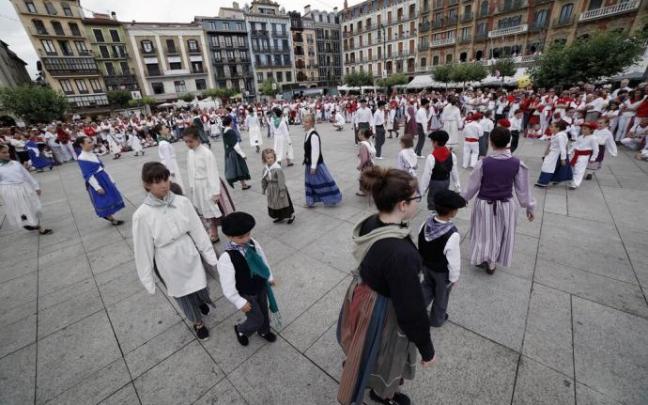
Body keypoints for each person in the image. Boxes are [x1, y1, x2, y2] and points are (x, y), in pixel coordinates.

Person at [337, 167, 436, 405]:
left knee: (367, 347)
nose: (417, 203)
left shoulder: (372, 222)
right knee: (386, 354)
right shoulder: (400, 254)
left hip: (364, 294)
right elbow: (411, 310)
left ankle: (373, 381)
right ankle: (383, 393)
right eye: (416, 199)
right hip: (381, 309)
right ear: (402, 205)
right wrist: (427, 349)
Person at [132, 162, 217, 341]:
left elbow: (197, 229)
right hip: (167, 258)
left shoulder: (182, 201)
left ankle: (201, 301)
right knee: (182, 292)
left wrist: (208, 253)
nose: (163, 184)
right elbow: (142, 250)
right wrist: (148, 279)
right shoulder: (142, 215)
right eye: (157, 182)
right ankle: (197, 322)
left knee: (200, 283)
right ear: (147, 184)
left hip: (187, 249)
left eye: (165, 179)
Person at [462, 127, 535, 274]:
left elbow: (472, 185)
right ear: (509, 142)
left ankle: (484, 257)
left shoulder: (484, 163)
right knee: (499, 232)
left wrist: (463, 198)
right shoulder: (516, 163)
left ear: (491, 142)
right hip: (506, 204)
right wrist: (529, 206)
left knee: (484, 232)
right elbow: (523, 189)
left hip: (484, 204)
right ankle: (492, 262)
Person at [217, 212, 280, 346]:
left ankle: (264, 331)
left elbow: (262, 260)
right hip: (246, 293)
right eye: (241, 237)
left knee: (264, 312)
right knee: (256, 318)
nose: (246, 239)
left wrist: (269, 276)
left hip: (260, 286)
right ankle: (241, 329)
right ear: (229, 236)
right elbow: (227, 285)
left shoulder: (252, 243)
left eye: (248, 234)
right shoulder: (226, 258)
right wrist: (238, 301)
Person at [418, 189, 466, 327]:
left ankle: (416, 310)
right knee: (441, 296)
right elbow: (454, 261)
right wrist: (454, 278)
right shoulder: (452, 234)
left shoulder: (425, 223)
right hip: (442, 273)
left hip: (426, 266)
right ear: (452, 212)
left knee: (426, 287)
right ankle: (437, 319)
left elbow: (421, 243)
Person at [0, 144, 52, 235]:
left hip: (24, 187)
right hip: (10, 191)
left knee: (35, 207)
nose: (7, 154)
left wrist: (36, 186)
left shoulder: (15, 163)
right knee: (23, 209)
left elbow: (27, 175)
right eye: (4, 152)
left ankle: (30, 223)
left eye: (7, 152)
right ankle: (39, 227)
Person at [74, 136, 125, 225]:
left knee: (111, 196)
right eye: (89, 143)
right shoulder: (82, 157)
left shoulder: (92, 153)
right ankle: (110, 218)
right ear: (81, 145)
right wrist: (97, 187)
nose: (92, 144)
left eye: (91, 142)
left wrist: (110, 179)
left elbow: (101, 167)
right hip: (96, 180)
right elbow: (87, 174)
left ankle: (110, 216)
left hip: (103, 177)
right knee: (104, 200)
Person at [184, 127, 223, 243]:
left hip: (207, 185)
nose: (188, 144)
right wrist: (192, 186)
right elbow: (190, 170)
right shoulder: (190, 153)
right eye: (186, 141)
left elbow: (213, 172)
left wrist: (215, 192)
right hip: (197, 186)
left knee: (210, 210)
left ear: (197, 139)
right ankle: (210, 230)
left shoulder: (206, 153)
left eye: (190, 141)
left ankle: (214, 233)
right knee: (203, 210)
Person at [303, 112, 342, 207]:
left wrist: (313, 167)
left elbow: (316, 152)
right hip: (309, 163)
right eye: (304, 122)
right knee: (310, 184)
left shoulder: (313, 135)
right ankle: (310, 202)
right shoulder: (308, 133)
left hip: (315, 165)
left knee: (322, 182)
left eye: (307, 122)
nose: (304, 124)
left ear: (312, 123)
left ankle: (333, 198)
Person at [419, 130, 461, 211]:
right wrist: (457, 186)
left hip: (435, 183)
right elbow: (454, 172)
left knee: (433, 202)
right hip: (446, 181)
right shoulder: (452, 155)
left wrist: (422, 192)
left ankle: (434, 218)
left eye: (432, 142)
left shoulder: (431, 157)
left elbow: (426, 176)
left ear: (435, 142)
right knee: (442, 200)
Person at [261, 148, 295, 224]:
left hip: (278, 188)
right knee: (275, 203)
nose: (270, 159)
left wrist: (282, 191)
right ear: (264, 159)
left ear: (274, 157)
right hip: (271, 189)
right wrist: (264, 188)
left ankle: (290, 215)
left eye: (272, 157)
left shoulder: (277, 168)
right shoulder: (265, 169)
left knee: (283, 202)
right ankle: (280, 216)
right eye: (268, 158)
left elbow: (281, 180)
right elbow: (264, 179)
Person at [535, 120, 572, 188]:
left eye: (552, 127)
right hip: (552, 153)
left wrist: (563, 159)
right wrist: (547, 150)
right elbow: (551, 142)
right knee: (550, 167)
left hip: (556, 154)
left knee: (548, 167)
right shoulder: (555, 134)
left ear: (558, 128)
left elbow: (563, 148)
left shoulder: (561, 136)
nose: (550, 128)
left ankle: (543, 182)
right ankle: (548, 180)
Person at [222, 116, 251, 190]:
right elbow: (235, 145)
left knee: (237, 169)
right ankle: (243, 185)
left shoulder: (224, 130)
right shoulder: (231, 131)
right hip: (234, 153)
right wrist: (243, 154)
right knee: (240, 168)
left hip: (228, 153)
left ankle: (243, 185)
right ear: (230, 122)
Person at [568, 121, 599, 190]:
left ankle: (575, 183)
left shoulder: (593, 138)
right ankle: (571, 179)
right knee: (572, 167)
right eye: (582, 128)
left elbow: (596, 149)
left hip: (583, 156)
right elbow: (575, 145)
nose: (583, 130)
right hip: (575, 154)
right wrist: (570, 151)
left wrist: (593, 158)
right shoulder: (580, 137)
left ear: (591, 130)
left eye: (585, 129)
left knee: (579, 170)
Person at [156, 123, 184, 190]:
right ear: (160, 131)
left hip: (170, 162)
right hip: (170, 163)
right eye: (164, 128)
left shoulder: (163, 141)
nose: (167, 129)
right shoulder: (164, 143)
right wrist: (171, 170)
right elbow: (167, 157)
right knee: (174, 180)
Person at [356, 128, 375, 196]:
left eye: (359, 134)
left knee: (363, 178)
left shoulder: (363, 145)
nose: (358, 136)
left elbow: (364, 159)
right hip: (371, 163)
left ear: (362, 135)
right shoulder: (369, 142)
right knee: (368, 178)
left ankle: (364, 191)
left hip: (366, 165)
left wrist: (360, 166)